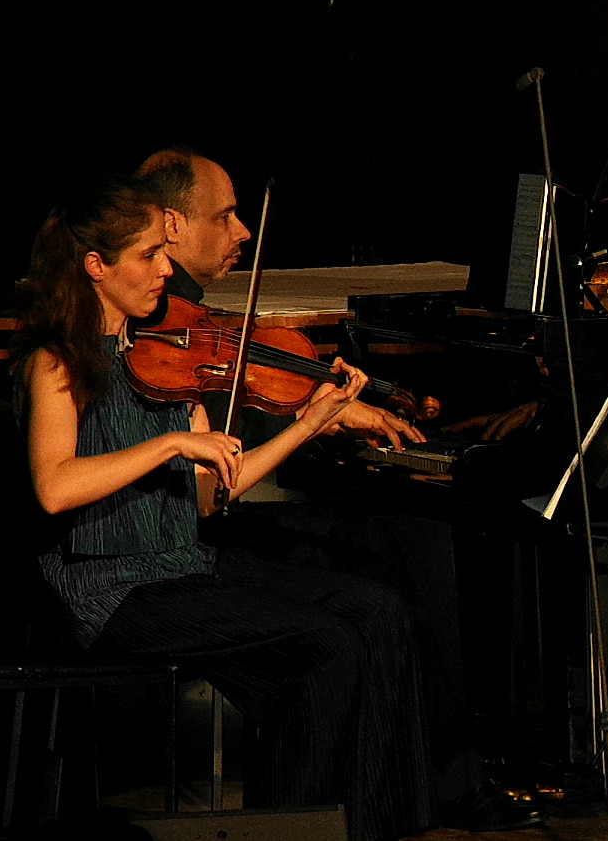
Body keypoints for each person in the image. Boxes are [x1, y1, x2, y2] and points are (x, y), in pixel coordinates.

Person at [10, 174, 448, 841]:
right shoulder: (58, 362)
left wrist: (306, 425)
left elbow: (211, 495)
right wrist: (171, 444)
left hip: (183, 565)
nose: (166, 269)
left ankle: (378, 827)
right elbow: (54, 486)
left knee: (379, 611)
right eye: (149, 255)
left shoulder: (161, 358)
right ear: (96, 265)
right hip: (110, 589)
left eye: (165, 252)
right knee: (326, 645)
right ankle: (289, 833)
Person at [130, 146, 540, 832]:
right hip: (183, 538)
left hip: (208, 519)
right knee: (391, 545)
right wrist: (318, 415)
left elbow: (248, 373)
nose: (243, 232)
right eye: (225, 216)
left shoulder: (194, 318)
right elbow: (208, 454)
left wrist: (337, 408)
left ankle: (415, 782)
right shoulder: (140, 322)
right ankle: (420, 781)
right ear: (171, 225)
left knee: (398, 537)